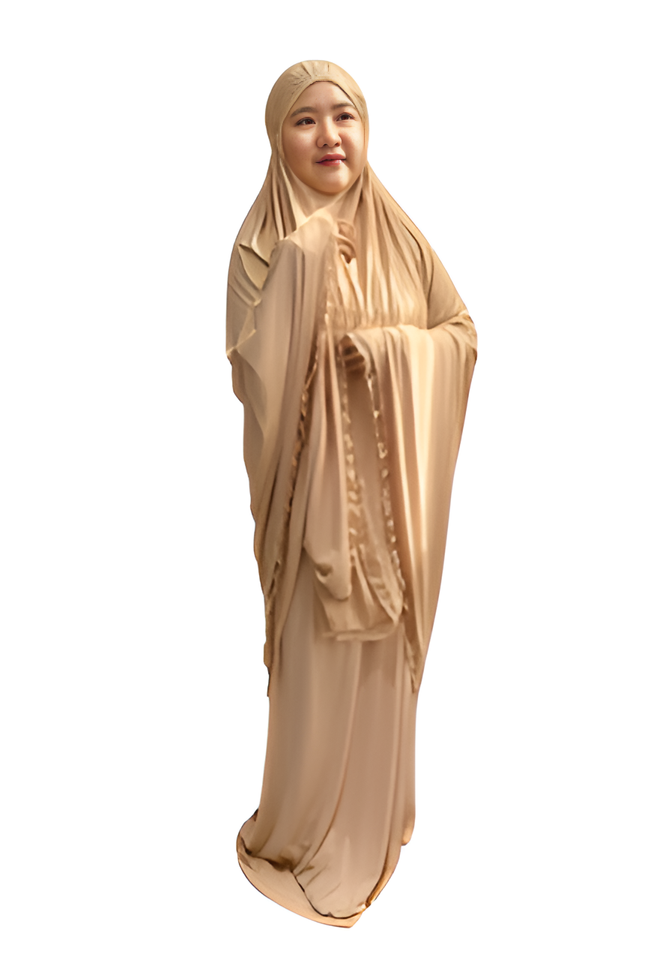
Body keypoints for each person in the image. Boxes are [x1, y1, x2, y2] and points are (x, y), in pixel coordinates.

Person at [226, 60, 477, 926]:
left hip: (394, 509)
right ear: (278, 139)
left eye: (345, 116)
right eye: (305, 120)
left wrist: (395, 354)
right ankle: (297, 835)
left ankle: (368, 828)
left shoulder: (399, 235)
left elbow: (459, 334)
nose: (330, 136)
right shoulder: (261, 244)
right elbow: (254, 376)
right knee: (316, 672)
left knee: (377, 677)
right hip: (313, 513)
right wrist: (300, 265)